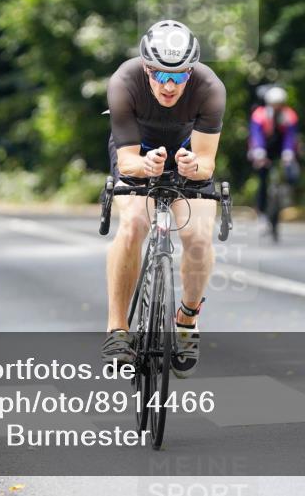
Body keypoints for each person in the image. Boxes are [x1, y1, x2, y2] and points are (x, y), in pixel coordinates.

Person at [102, 19, 226, 379]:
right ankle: (117, 331)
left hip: (188, 150)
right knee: (134, 225)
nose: (169, 86)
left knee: (199, 238)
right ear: (145, 67)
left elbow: (206, 163)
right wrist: (144, 165)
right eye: (159, 75)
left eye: (179, 76)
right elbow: (126, 162)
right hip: (137, 148)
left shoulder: (209, 88)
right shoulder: (124, 82)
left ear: (192, 71)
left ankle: (186, 320)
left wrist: (193, 166)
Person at [248, 85, 300, 218]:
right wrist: (259, 151)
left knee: (290, 171)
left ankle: (286, 195)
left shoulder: (290, 115)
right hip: (264, 147)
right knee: (263, 178)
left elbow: (290, 135)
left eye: (279, 104)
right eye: (274, 104)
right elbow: (256, 134)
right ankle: (261, 211)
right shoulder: (259, 114)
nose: (277, 107)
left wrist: (288, 151)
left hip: (281, 147)